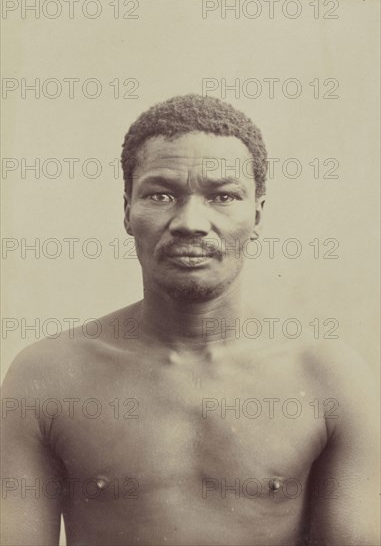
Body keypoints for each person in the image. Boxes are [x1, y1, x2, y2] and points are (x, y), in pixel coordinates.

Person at [2, 94, 379, 546]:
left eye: (223, 196)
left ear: (257, 214)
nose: (190, 222)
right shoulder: (46, 376)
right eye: (161, 195)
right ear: (127, 211)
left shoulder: (328, 378)